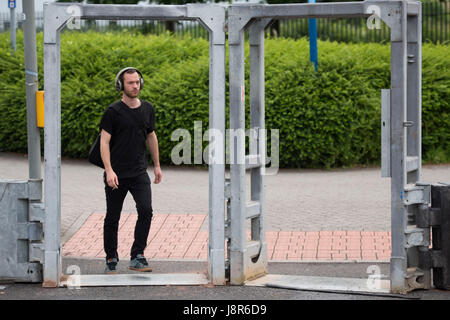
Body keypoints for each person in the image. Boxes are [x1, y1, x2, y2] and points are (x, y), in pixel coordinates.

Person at [99, 67, 162, 274]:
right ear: (121, 86)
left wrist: (157, 166)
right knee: (112, 217)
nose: (135, 86)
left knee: (146, 210)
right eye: (130, 83)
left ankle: (137, 255)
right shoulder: (113, 112)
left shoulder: (147, 109)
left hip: (138, 172)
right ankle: (111, 256)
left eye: (137, 82)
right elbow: (104, 142)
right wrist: (109, 170)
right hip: (116, 174)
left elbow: (151, 136)